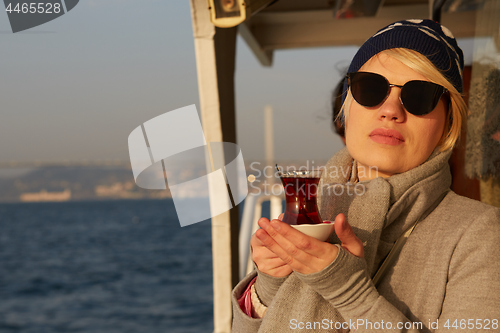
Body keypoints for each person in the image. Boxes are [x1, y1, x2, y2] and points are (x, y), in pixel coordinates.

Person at [231, 19, 500, 332]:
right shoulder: (312, 216)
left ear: (447, 124)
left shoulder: (481, 235)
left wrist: (350, 293)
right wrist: (267, 288)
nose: (390, 109)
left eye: (420, 96)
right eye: (371, 88)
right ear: (348, 107)